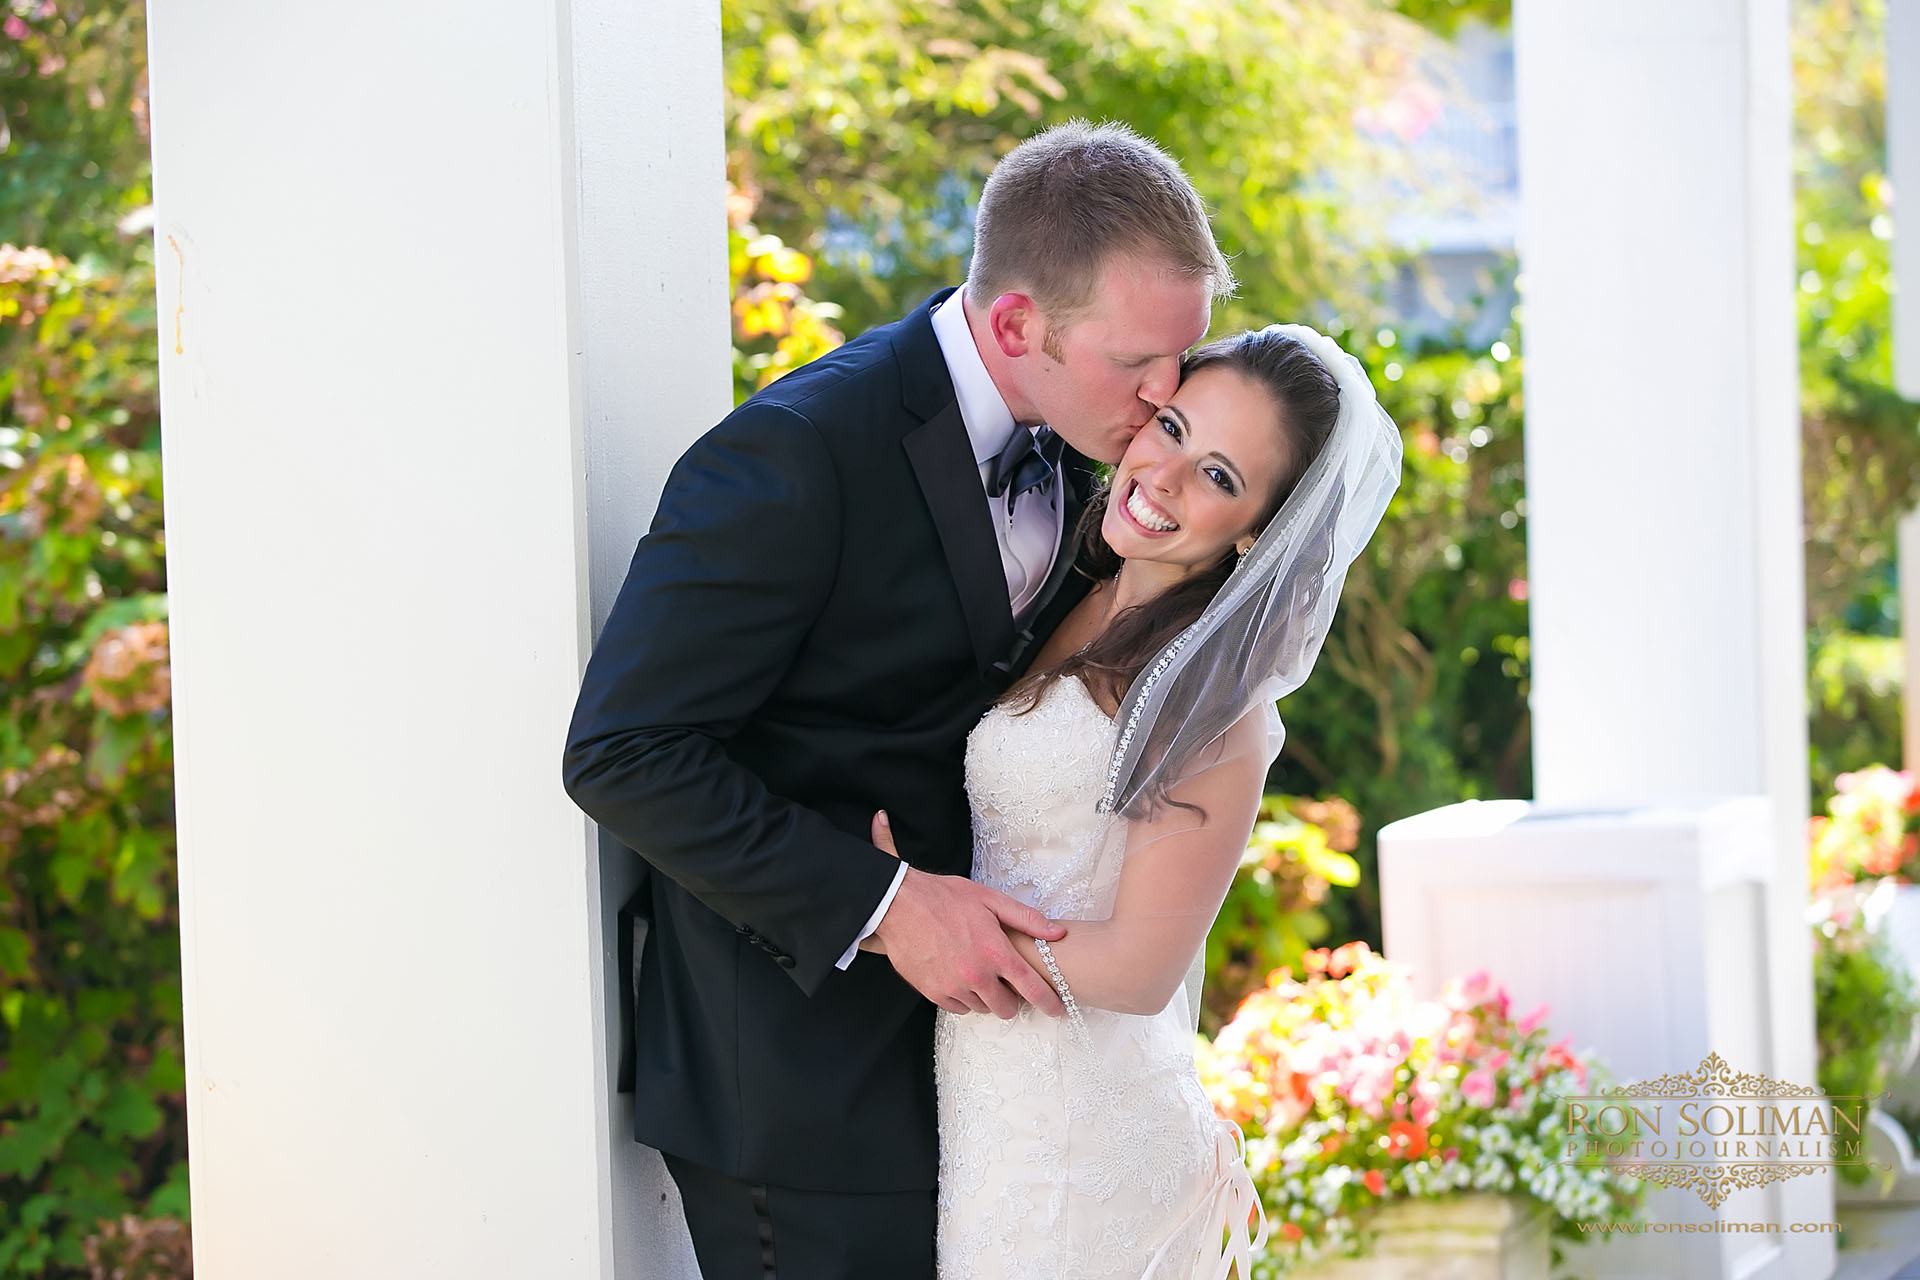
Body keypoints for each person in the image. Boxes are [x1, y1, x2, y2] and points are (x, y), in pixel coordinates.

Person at [560, 119, 1234, 1279]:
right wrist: (884, 902)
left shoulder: (1094, 443)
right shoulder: (793, 454)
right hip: (797, 1081)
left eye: (1184, 357)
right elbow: (622, 749)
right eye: (1141, 365)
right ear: (1019, 323)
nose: (1171, 397)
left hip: (988, 1087)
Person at [867, 325, 1403, 1278]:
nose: (1164, 476)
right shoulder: (1079, 596)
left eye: (1220, 477)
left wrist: (900, 917)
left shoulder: (1215, 708)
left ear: (1258, 530)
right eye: (1171, 427)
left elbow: (1140, 969)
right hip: (996, 1108)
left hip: (1083, 1144)